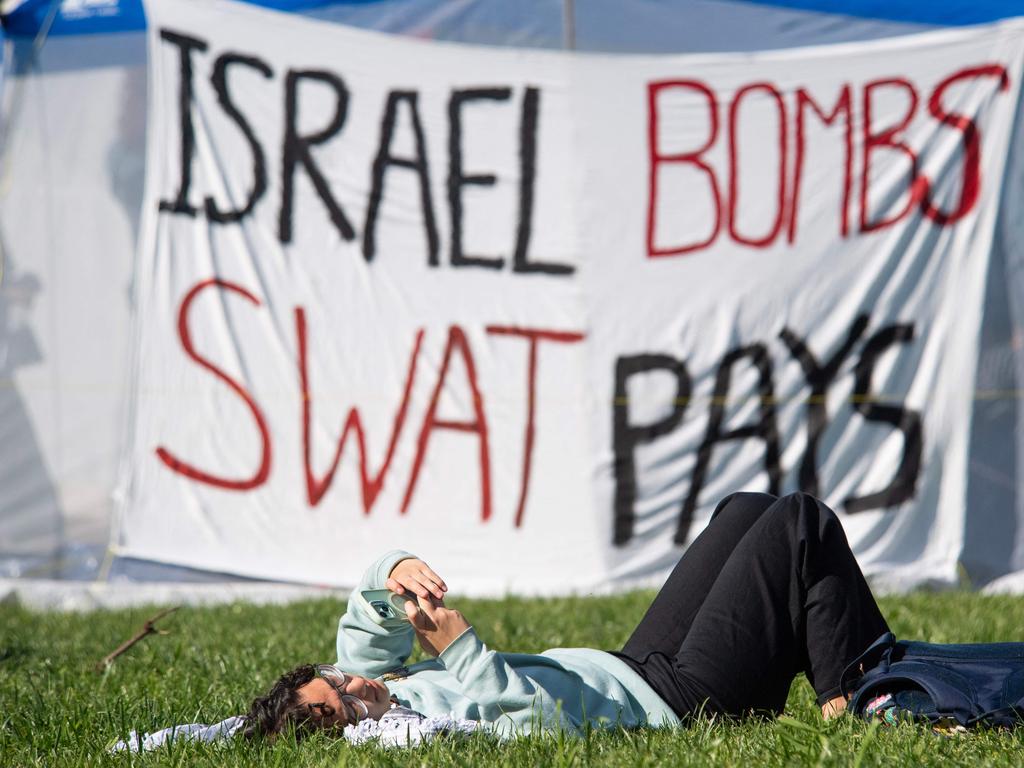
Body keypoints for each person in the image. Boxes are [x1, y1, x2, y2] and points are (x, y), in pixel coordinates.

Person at [244, 491, 890, 739]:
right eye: (346, 706)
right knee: (799, 524)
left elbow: (364, 625)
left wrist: (393, 573)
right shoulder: (427, 734)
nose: (358, 687)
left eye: (338, 681)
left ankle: (862, 681)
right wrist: (461, 649)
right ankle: (862, 704)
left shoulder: (380, 689)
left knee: (744, 511)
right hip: (681, 700)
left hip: (631, 668)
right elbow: (542, 723)